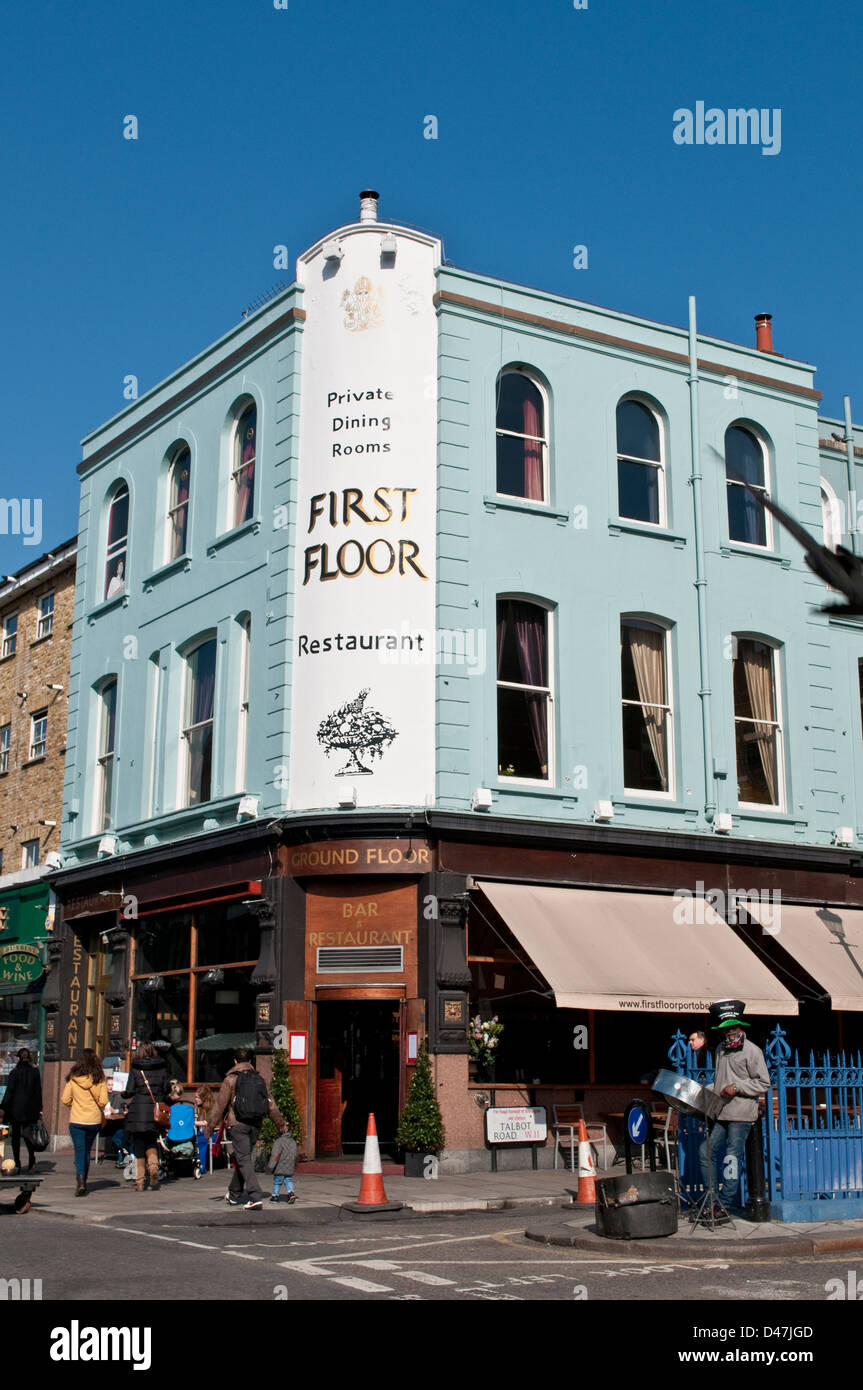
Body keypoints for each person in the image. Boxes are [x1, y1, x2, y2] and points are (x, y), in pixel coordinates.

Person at [699, 1001, 770, 1220]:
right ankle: (712, 1201)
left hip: (741, 1114)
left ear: (740, 1027)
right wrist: (706, 1090)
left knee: (731, 1157)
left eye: (732, 1028)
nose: (729, 1033)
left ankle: (725, 1205)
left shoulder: (752, 1051)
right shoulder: (720, 1050)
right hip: (721, 1112)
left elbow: (764, 1083)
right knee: (705, 1152)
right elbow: (721, 1081)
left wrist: (738, 1087)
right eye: (725, 1029)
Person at [207, 1049, 286, 1211]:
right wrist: (281, 1124)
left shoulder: (231, 1079)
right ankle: (234, 1194)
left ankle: (255, 1196)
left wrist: (209, 1127)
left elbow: (219, 1106)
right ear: (250, 1060)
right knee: (243, 1159)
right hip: (255, 1124)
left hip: (238, 1124)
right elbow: (270, 1104)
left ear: (235, 1061)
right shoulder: (260, 1079)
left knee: (243, 1159)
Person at [122, 1042, 170, 1193]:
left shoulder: (136, 1068)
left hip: (138, 1111)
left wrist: (123, 1094)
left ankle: (140, 1182)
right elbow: (167, 1089)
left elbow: (129, 1090)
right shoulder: (161, 1067)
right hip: (154, 1111)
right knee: (151, 1142)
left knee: (138, 1146)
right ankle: (154, 1170)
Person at [61, 1052, 109, 1197]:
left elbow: (65, 1099)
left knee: (79, 1151)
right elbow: (103, 1101)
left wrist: (75, 1105)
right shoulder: (99, 1079)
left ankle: (80, 1181)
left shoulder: (73, 1079)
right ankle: (84, 1180)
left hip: (76, 1120)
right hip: (93, 1120)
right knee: (87, 1151)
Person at [0, 1048, 43, 1174]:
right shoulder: (35, 1072)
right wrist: (39, 1108)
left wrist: (2, 1106)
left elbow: (9, 1092)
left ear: (18, 1058)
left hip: (16, 1110)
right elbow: (38, 1092)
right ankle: (31, 1161)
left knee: (16, 1137)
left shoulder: (14, 1072)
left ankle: (17, 1163)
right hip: (30, 1110)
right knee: (29, 1135)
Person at [268, 1128, 298, 1203]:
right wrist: (294, 1165)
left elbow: (275, 1155)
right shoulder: (293, 1142)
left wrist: (271, 1166)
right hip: (290, 1165)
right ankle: (291, 1193)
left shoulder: (278, 1142)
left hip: (280, 1166)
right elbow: (296, 1155)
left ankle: (275, 1196)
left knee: (277, 1181)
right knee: (288, 1180)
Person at [194, 1086, 214, 1174]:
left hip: (213, 1133)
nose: (196, 1099)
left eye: (198, 1097)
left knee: (201, 1141)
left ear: (204, 1098)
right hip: (202, 1133)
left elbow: (209, 1123)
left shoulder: (212, 1108)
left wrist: (195, 1123)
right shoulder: (198, 1108)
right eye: (195, 1097)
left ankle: (201, 1167)